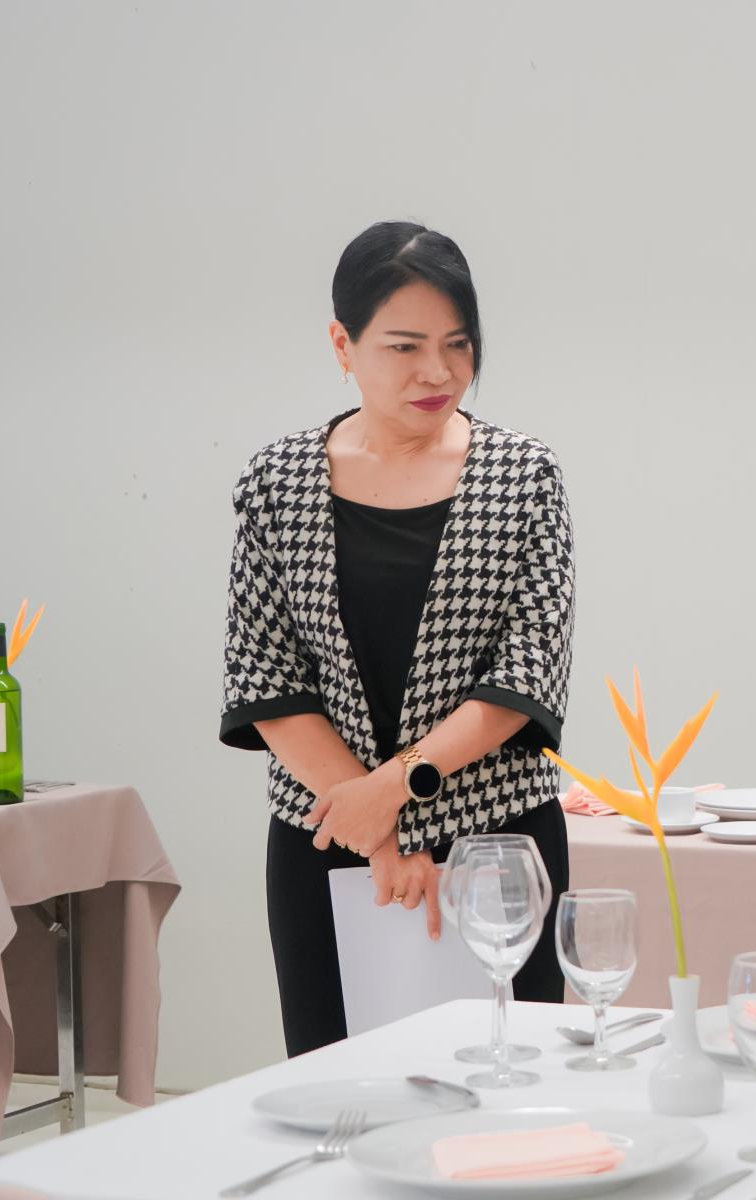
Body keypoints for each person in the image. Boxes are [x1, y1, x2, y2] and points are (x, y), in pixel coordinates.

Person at [219, 221, 576, 1056]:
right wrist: (376, 830)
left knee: (505, 1098)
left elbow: (526, 673)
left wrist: (395, 791)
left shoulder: (524, 476)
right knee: (336, 1102)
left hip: (496, 845)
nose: (438, 372)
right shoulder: (275, 481)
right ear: (342, 344)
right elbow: (266, 677)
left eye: (459, 343)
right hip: (325, 841)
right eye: (406, 346)